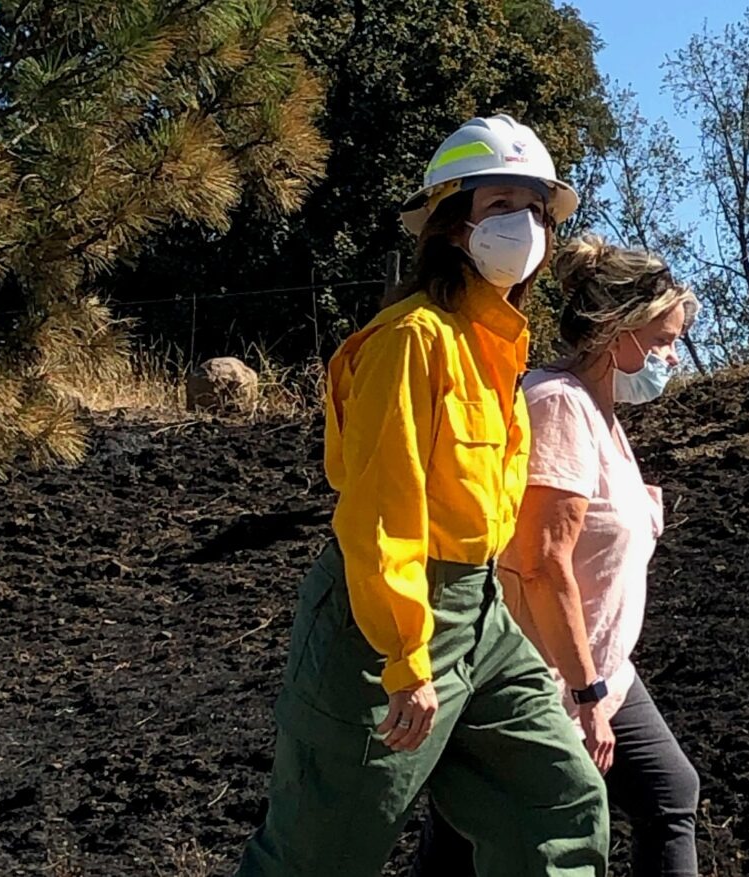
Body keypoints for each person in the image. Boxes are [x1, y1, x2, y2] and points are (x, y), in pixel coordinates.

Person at [236, 117, 608, 877]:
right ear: (450, 227)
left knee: (559, 802)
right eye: (503, 203)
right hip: (386, 623)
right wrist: (407, 656)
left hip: (481, 617)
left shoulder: (494, 346)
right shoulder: (411, 339)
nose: (526, 226)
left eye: (538, 210)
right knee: (320, 855)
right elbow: (382, 510)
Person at [412, 234, 702, 877]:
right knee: (486, 830)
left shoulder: (602, 415)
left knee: (668, 794)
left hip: (602, 668)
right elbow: (539, 562)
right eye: (662, 341)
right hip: (545, 675)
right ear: (616, 332)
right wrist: (586, 692)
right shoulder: (558, 405)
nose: (672, 357)